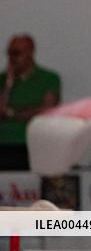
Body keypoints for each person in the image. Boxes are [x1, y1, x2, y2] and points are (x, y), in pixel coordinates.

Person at [0, 35, 61, 171]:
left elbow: (47, 110)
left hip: (32, 144)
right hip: (3, 144)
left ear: (30, 53)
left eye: (16, 53)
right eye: (9, 53)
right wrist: (9, 83)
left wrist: (11, 113)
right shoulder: (2, 80)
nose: (12, 59)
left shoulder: (49, 78)